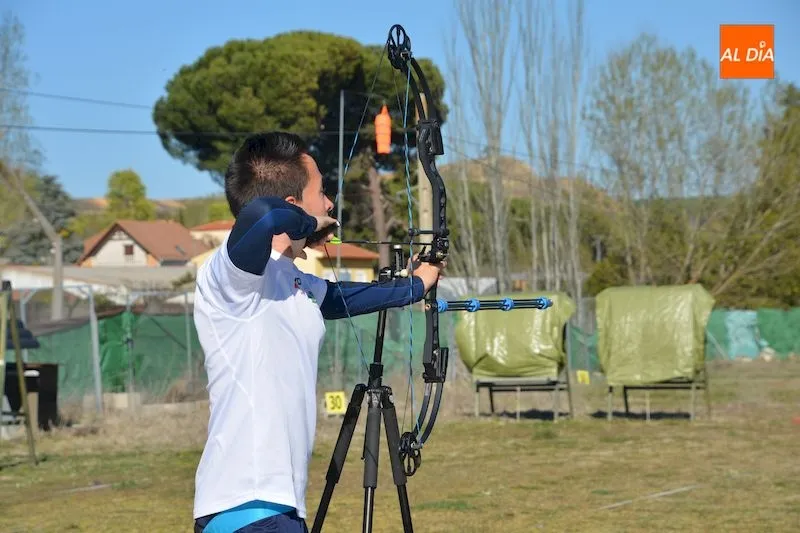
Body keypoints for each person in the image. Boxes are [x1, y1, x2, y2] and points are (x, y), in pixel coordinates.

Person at [191, 131, 445, 533]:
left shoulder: (292, 280)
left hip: (277, 510)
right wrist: (310, 225)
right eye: (322, 192)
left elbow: (346, 297)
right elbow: (263, 216)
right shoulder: (230, 279)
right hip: (245, 508)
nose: (330, 204)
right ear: (292, 205)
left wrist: (416, 284)